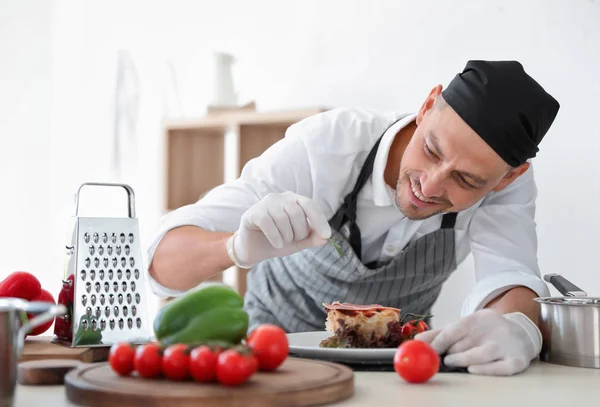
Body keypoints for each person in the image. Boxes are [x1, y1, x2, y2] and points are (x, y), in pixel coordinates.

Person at [146, 60, 560, 376]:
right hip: (273, 357)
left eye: (466, 179)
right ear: (427, 105)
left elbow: (509, 279)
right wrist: (233, 246)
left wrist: (520, 327)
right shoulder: (328, 145)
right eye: (432, 150)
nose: (430, 186)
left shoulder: (506, 187)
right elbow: (160, 262)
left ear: (508, 178)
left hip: (397, 370)